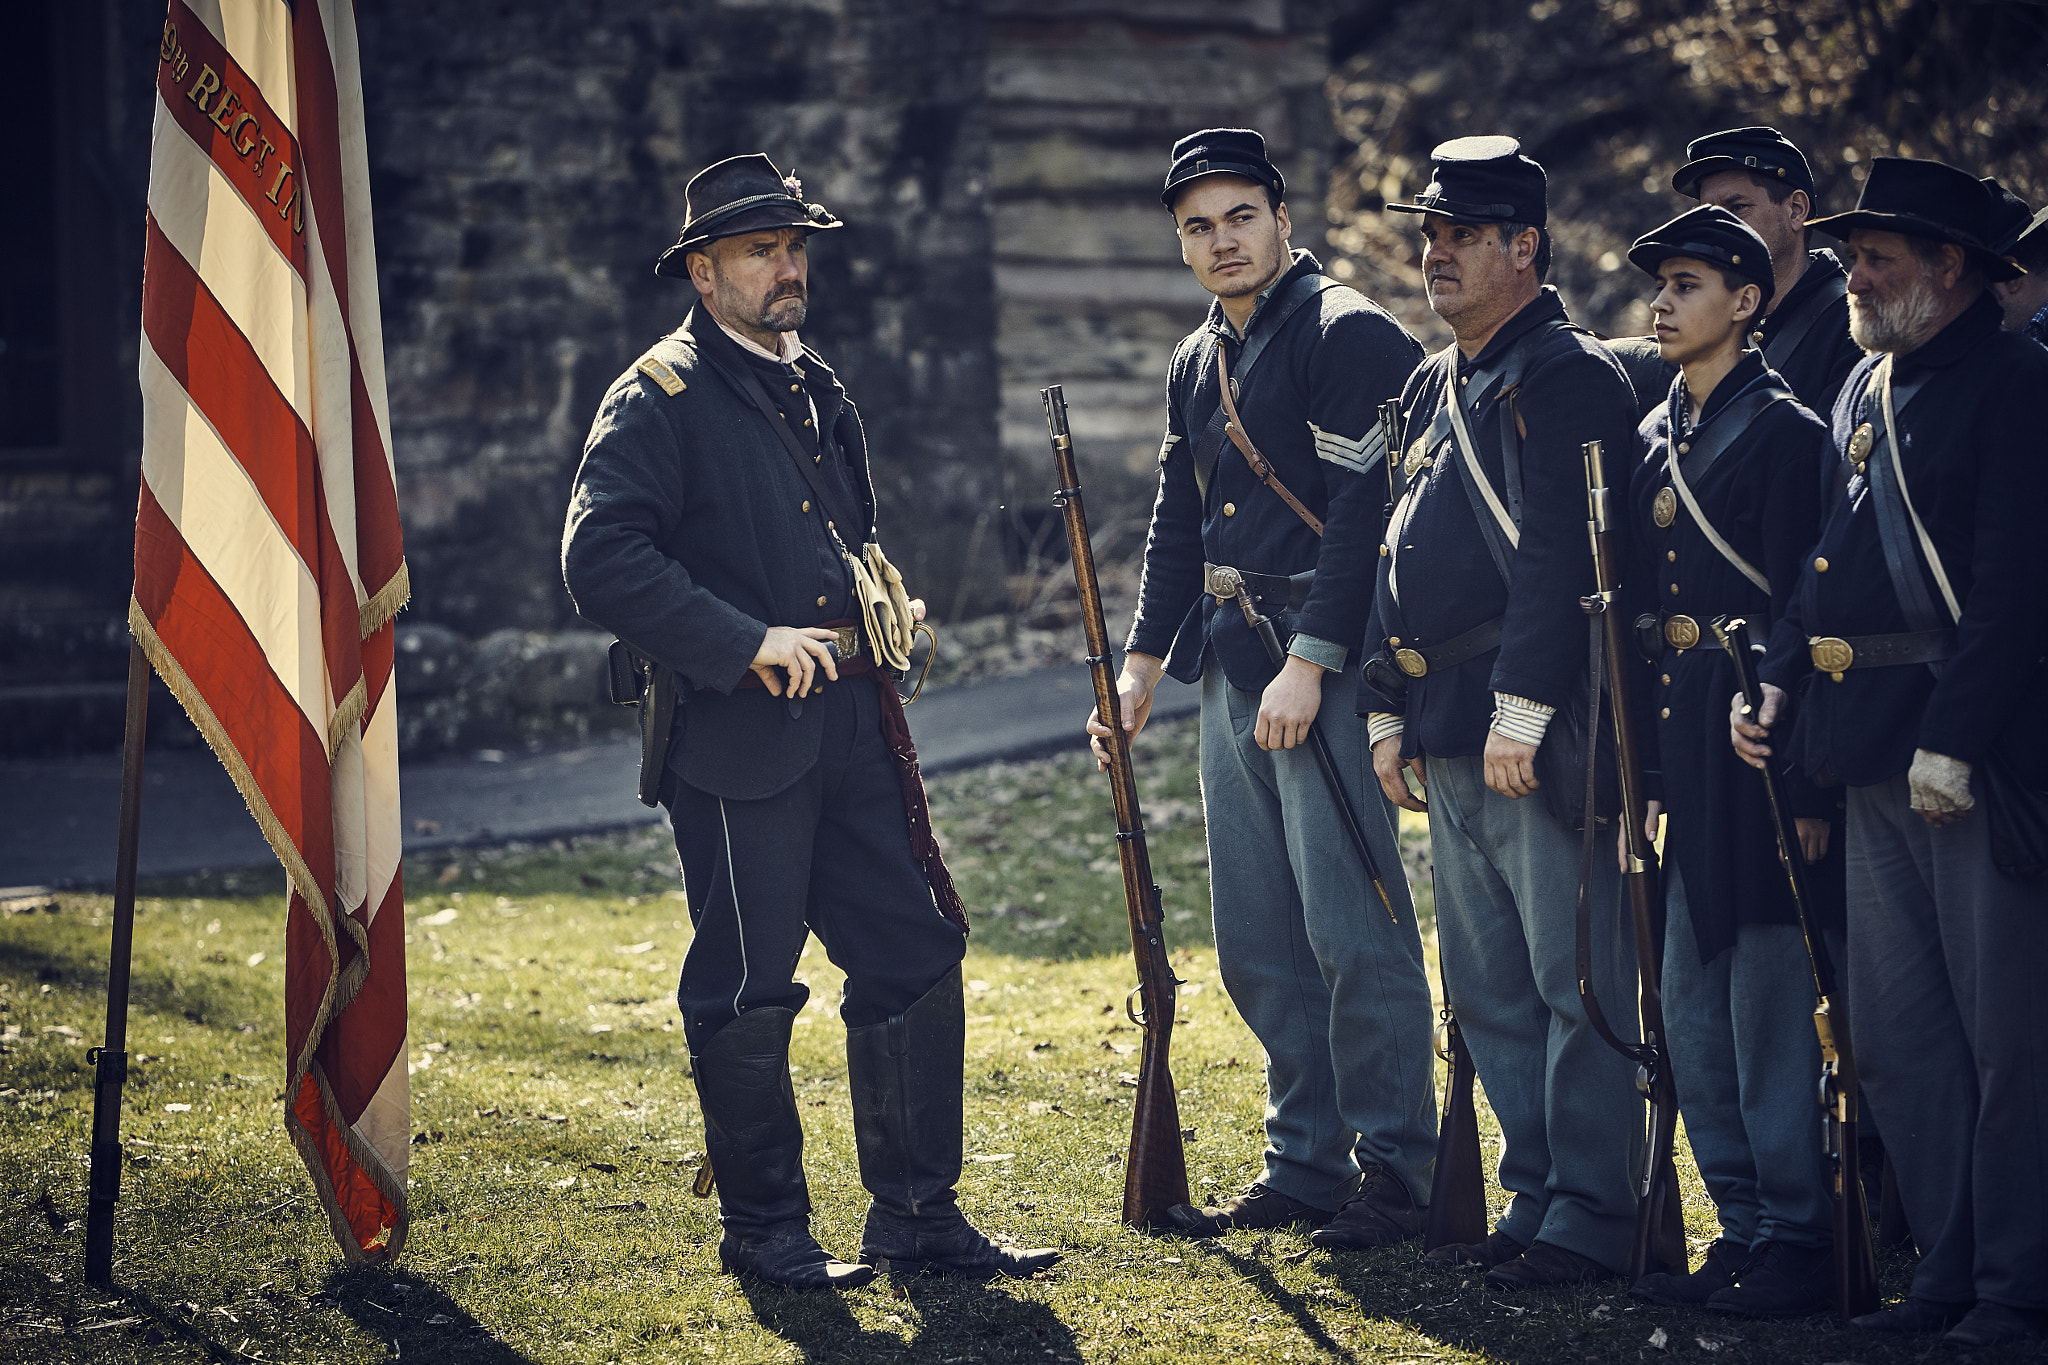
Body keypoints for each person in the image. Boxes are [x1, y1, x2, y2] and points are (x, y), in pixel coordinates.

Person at [561, 153, 1057, 1290]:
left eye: (793, 248)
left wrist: (874, 602)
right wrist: (741, 640)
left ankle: (919, 1221)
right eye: (757, 251)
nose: (785, 269)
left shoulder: (812, 383)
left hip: (849, 717)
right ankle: (768, 1233)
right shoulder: (656, 397)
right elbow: (600, 560)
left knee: (914, 948)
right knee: (745, 981)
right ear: (700, 271)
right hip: (735, 744)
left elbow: (836, 535)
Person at [1088, 128, 1439, 1248]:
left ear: (1283, 219)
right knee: (1255, 936)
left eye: (1239, 215)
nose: (1219, 240)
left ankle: (1397, 1167)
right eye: (1196, 225)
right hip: (1233, 665)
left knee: (1352, 928)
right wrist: (1141, 658)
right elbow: (1174, 516)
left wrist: (1313, 660)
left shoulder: (1348, 335)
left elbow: (1361, 517)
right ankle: (1304, 1159)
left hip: (1315, 668)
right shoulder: (1198, 356)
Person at [1735, 157, 2048, 1348]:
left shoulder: (2017, 385)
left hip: (1966, 757)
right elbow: (1822, 564)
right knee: (1902, 1038)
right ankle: (1949, 1274)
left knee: (2004, 1040)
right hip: (1867, 745)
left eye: (1876, 258)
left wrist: (1952, 742)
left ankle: (2018, 1288)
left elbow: (2017, 591)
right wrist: (1775, 678)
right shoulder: (1866, 388)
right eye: (1852, 255)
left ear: (1949, 268)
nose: (1850, 275)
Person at [1363, 136, 1645, 1288]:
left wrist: (1523, 706)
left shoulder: (1564, 373)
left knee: (1571, 980)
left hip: (1527, 727)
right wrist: (1384, 702)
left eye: (1457, 235)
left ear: (1521, 246)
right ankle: (1533, 1198)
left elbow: (1562, 560)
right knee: (1485, 990)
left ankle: (1589, 1209)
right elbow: (1392, 550)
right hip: (1444, 721)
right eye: (1427, 233)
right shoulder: (1439, 377)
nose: (1431, 252)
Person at [1616, 206, 1839, 1316]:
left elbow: (1808, 604)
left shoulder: (1789, 432)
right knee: (1691, 1010)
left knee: (1761, 1007)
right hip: (1682, 750)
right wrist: (1639, 787)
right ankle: (1739, 1228)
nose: (1659, 302)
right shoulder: (1659, 431)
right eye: (1657, 283)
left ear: (1746, 303)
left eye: (1687, 283)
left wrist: (1795, 778)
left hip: (1757, 747)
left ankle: (1799, 1236)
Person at [1672, 126, 1863, 418]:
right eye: (1706, 213)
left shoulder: (1852, 325)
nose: (1715, 230)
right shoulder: (1702, 322)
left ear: (1796, 210)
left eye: (1736, 209)